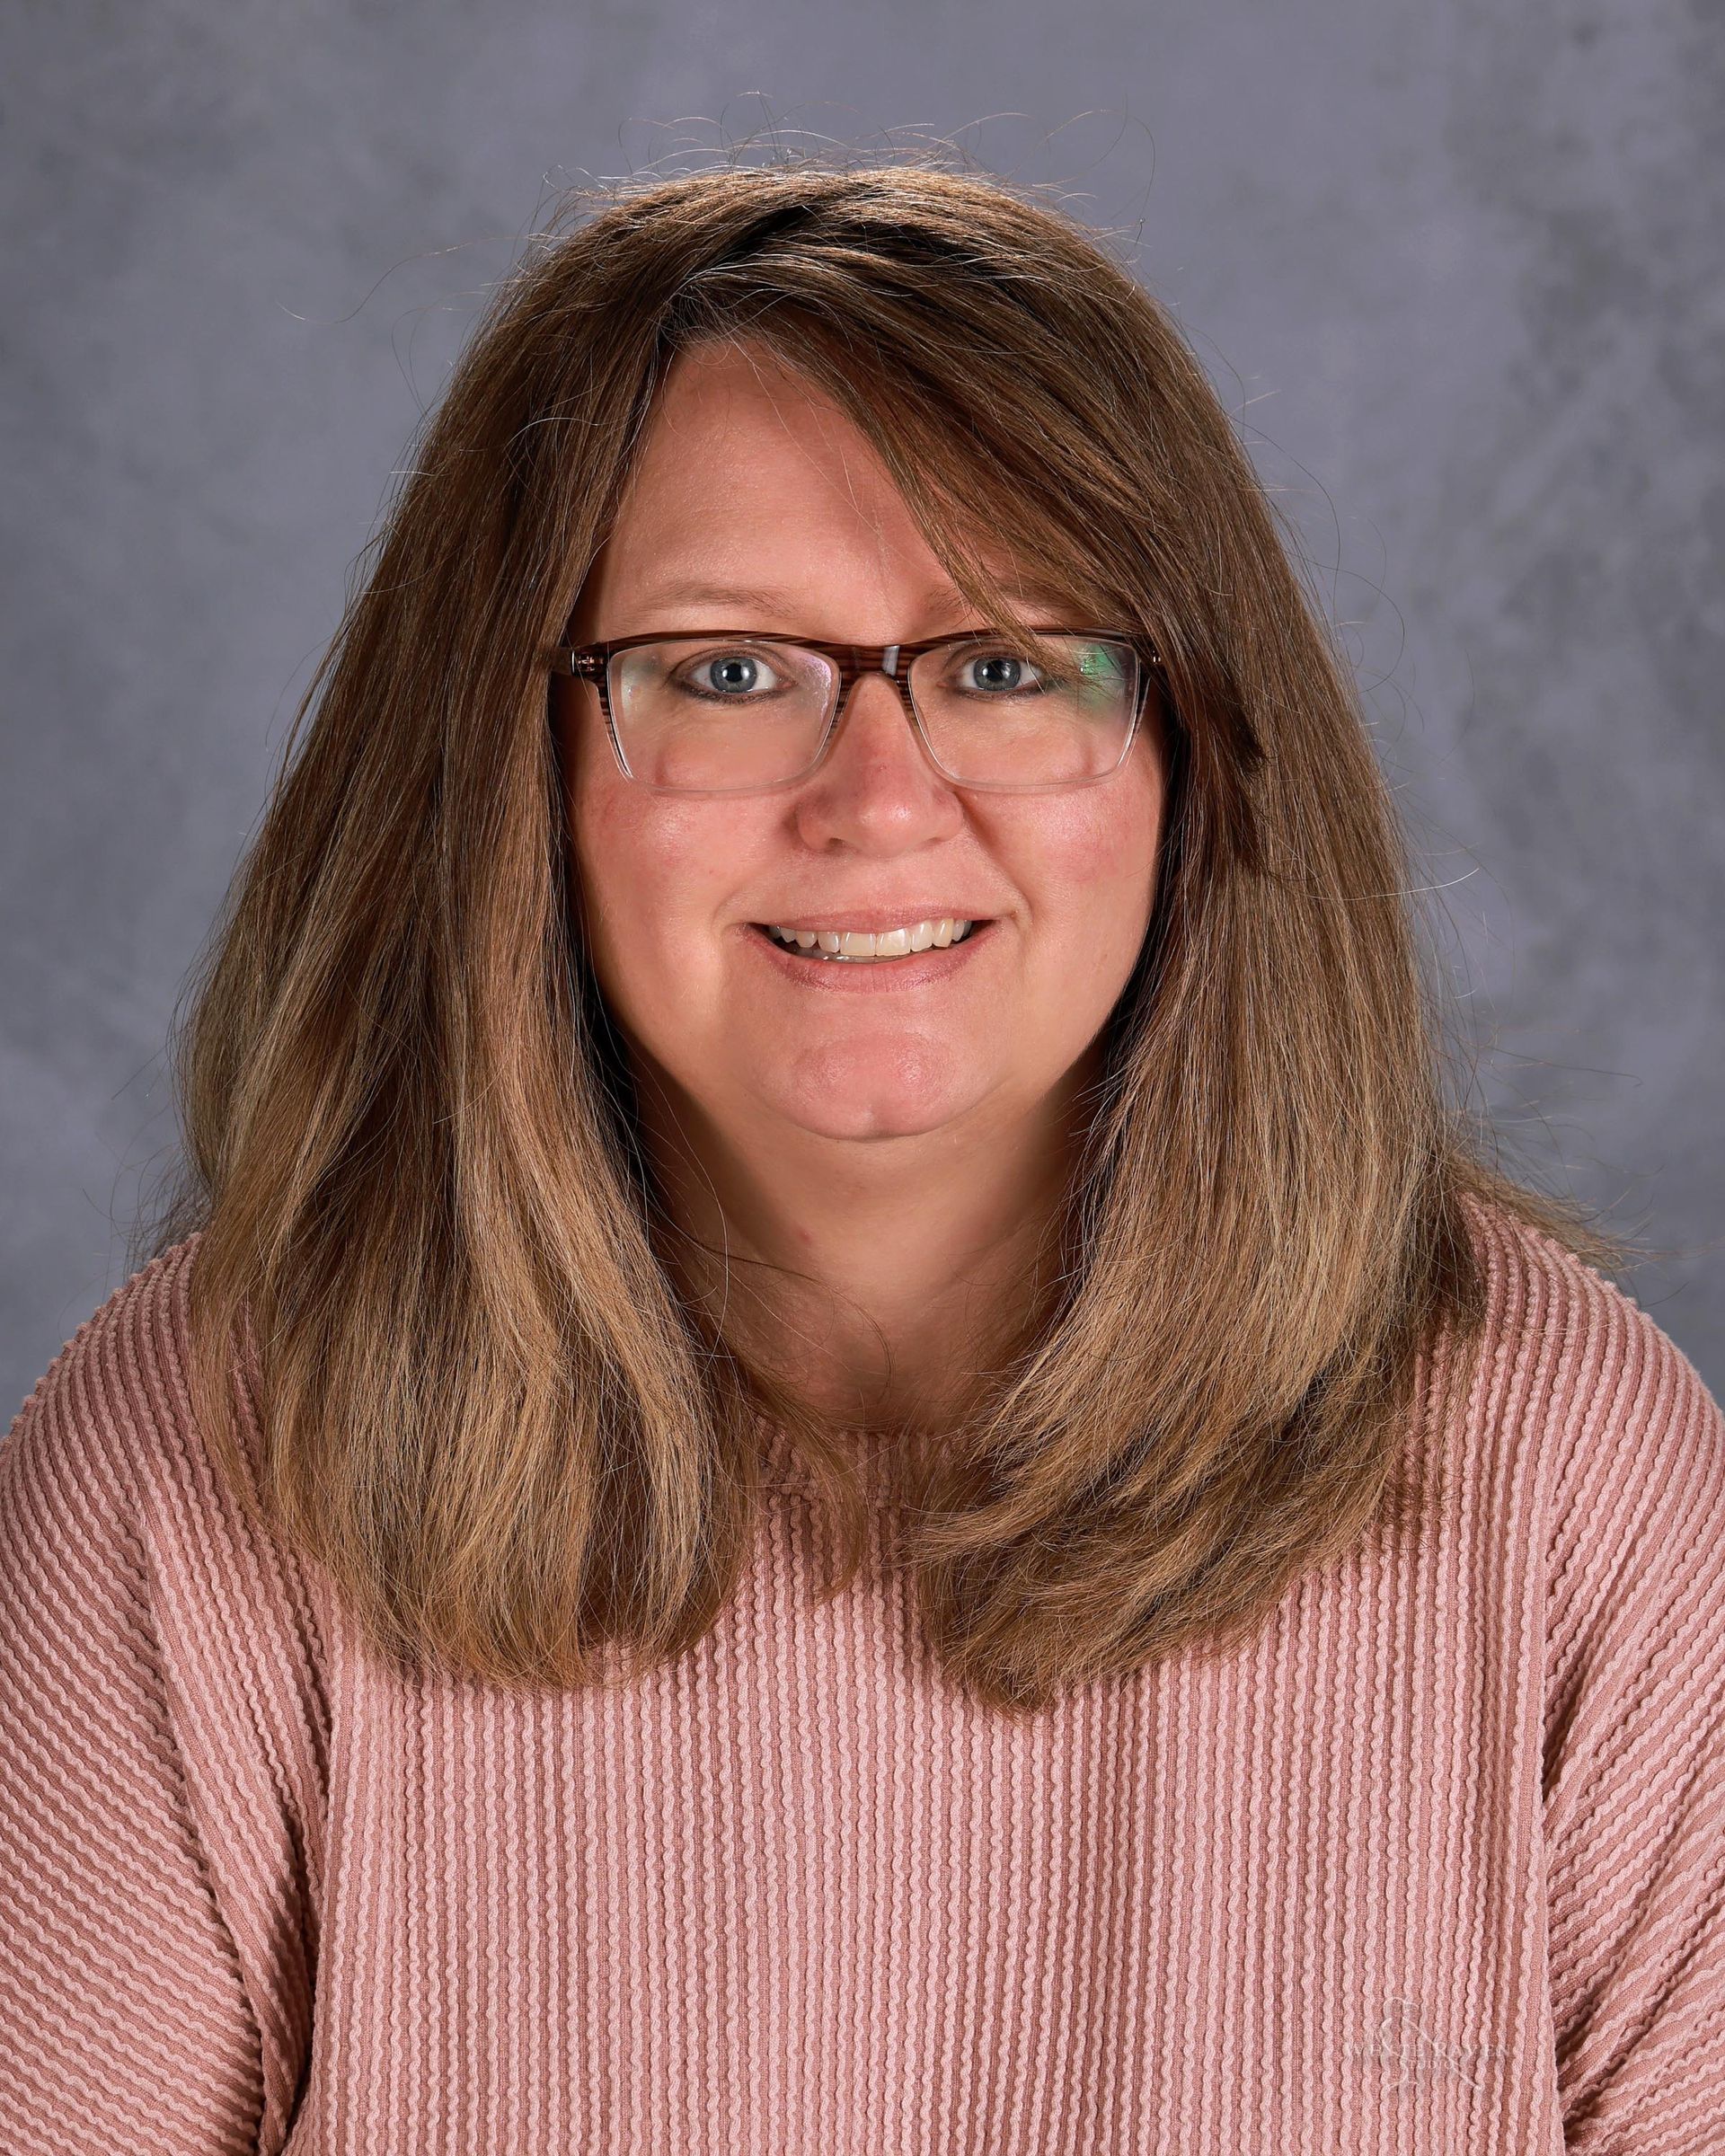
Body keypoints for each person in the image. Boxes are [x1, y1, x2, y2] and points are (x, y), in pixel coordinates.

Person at [3, 155, 1722, 2155]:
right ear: (509, 774)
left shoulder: (1575, 1493)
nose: (879, 801)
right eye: (725, 672)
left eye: (1007, 665)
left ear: (1194, 750)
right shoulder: (183, 1480)